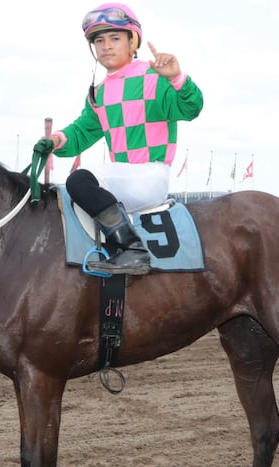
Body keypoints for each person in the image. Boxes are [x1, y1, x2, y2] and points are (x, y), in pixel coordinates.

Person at [36, 2, 204, 275]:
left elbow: (191, 108)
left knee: (79, 180)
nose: (106, 46)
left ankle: (132, 249)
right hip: (123, 178)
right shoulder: (99, 92)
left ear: (132, 41)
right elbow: (82, 131)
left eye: (114, 38)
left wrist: (177, 78)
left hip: (149, 176)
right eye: (99, 41)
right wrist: (55, 141)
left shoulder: (155, 77)